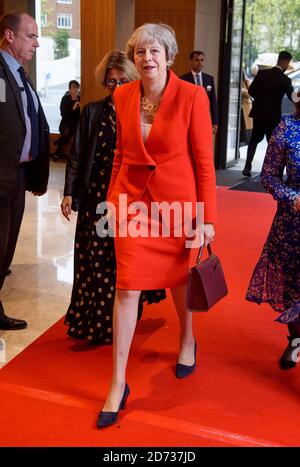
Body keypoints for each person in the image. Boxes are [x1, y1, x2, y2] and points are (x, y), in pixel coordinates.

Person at [97, 23, 217, 428]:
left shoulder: (192, 96)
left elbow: (204, 163)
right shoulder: (122, 94)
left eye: (154, 51)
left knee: (178, 280)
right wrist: (112, 201)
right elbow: (120, 154)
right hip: (133, 203)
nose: (146, 58)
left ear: (168, 55)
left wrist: (207, 219)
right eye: (139, 52)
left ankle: (187, 340)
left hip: (177, 207)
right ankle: (117, 382)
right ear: (133, 58)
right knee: (127, 286)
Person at [61, 50, 166, 345]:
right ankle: (96, 324)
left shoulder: (146, 111)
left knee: (124, 262)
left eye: (122, 81)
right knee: (94, 261)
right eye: (111, 82)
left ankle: (124, 320)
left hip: (132, 198)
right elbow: (78, 155)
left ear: (133, 80)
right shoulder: (93, 111)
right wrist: (69, 192)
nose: (116, 87)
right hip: (97, 197)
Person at [0, 11, 50, 330]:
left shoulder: (20, 73)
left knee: (5, 251)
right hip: (0, 176)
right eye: (31, 36)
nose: (37, 43)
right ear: (9, 36)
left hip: (16, 177)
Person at [246, 89, 300, 369]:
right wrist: (293, 198)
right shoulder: (287, 128)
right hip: (293, 224)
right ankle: (296, 339)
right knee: (293, 287)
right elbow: (268, 176)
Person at [242, 51, 293, 177]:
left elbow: (251, 91)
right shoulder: (285, 80)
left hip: (259, 113)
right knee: (272, 143)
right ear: (286, 62)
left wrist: (261, 100)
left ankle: (247, 167)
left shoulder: (262, 74)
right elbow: (293, 98)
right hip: (273, 116)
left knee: (254, 140)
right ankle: (269, 171)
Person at [180, 50, 218, 134]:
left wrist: (215, 122)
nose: (200, 63)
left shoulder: (209, 78)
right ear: (190, 61)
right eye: (197, 60)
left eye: (202, 60)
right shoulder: (183, 80)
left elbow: (213, 101)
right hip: (189, 120)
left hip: (205, 119)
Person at [53, 80, 80, 161]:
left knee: (78, 134)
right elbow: (63, 114)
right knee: (66, 133)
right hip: (66, 123)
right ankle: (57, 153)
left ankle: (59, 141)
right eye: (73, 87)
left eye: (76, 87)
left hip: (76, 123)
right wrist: (73, 108)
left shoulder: (80, 99)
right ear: (69, 89)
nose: (75, 89)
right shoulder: (65, 99)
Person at [240, 70, 253, 145]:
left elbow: (252, 94)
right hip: (238, 107)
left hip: (245, 107)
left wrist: (244, 91)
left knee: (246, 130)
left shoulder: (247, 81)